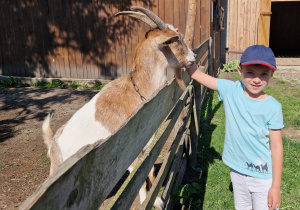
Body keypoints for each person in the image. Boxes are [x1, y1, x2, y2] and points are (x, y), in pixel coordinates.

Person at [186, 45, 284, 210]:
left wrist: (275, 186)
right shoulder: (231, 90)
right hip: (237, 171)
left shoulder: (273, 106)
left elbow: (276, 146)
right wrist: (181, 44)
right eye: (250, 72)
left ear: (271, 74)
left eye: (264, 74)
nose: (257, 79)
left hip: (262, 176)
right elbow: (196, 73)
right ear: (240, 70)